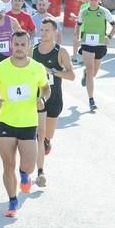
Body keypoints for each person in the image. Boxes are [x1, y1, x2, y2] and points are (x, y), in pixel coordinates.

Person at [0, 31, 50, 218]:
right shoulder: (0, 68)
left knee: (28, 165)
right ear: (11, 45)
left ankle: (24, 174)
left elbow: (46, 89)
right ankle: (12, 200)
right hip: (5, 121)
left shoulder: (37, 68)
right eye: (17, 44)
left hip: (29, 123)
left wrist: (42, 100)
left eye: (23, 45)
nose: (20, 48)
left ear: (28, 46)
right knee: (8, 165)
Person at [31, 18, 74, 185]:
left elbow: (71, 75)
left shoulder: (60, 51)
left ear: (55, 32)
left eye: (47, 30)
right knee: (38, 137)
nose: (43, 33)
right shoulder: (32, 50)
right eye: (41, 30)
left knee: (46, 138)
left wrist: (53, 71)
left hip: (54, 99)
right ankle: (40, 171)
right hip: (35, 100)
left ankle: (46, 144)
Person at [77, 0, 115, 112]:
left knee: (93, 74)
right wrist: (77, 37)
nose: (93, 1)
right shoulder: (84, 12)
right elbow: (78, 24)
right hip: (87, 44)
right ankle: (91, 100)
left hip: (100, 44)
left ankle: (85, 73)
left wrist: (109, 37)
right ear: (89, 0)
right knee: (90, 71)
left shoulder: (104, 12)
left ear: (99, 0)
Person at [0, 0, 22, 64]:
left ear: (5, 10)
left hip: (10, 54)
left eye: (1, 12)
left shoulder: (12, 21)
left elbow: (20, 35)